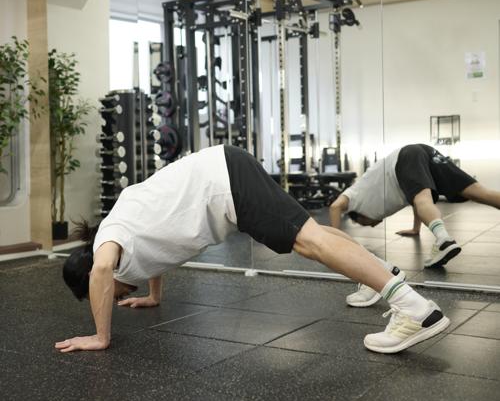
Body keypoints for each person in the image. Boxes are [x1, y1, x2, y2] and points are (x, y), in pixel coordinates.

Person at [56, 145, 450, 355]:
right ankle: (381, 273)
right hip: (227, 170)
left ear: (90, 273)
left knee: (309, 243)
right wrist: (153, 296)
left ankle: (415, 310)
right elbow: (153, 253)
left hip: (226, 183)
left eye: (103, 293)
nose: (113, 296)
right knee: (312, 234)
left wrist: (100, 336)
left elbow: (103, 272)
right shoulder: (125, 230)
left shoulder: (109, 241)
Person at [329, 143, 500, 307]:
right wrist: (415, 228)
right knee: (480, 193)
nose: (373, 225)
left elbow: (335, 206)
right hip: (424, 152)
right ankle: (442, 238)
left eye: (365, 223)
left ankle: (443, 239)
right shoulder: (387, 192)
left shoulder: (355, 195)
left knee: (423, 199)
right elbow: (416, 200)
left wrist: (333, 244)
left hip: (406, 156)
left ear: (359, 215)